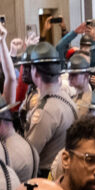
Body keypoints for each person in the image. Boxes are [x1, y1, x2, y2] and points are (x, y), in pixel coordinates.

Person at [22, 42, 78, 173]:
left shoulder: (45, 111)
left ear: (35, 73)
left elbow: (29, 155)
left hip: (48, 174)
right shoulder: (65, 97)